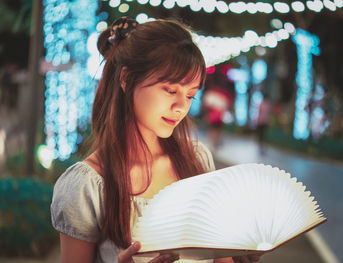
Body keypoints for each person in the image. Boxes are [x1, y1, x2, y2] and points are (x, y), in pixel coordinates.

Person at [50, 17, 262, 263]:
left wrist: (238, 254)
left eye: (191, 95)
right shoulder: (87, 186)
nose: (181, 106)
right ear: (127, 79)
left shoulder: (196, 160)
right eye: (171, 90)